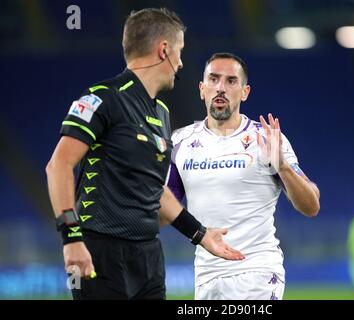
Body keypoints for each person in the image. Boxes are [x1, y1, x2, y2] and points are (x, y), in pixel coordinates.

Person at [46, 9, 243, 300]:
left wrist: (200, 234)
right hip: (102, 253)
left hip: (149, 257)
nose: (181, 62)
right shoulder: (102, 99)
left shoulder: (161, 114)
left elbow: (154, 191)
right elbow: (58, 165)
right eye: (179, 52)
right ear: (163, 50)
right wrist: (71, 238)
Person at [166, 52, 320, 300]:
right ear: (202, 89)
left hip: (256, 273)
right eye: (214, 80)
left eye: (231, 81)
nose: (221, 88)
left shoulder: (267, 139)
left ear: (245, 91)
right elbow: (164, 209)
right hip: (206, 277)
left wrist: (282, 165)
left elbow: (311, 205)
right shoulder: (180, 142)